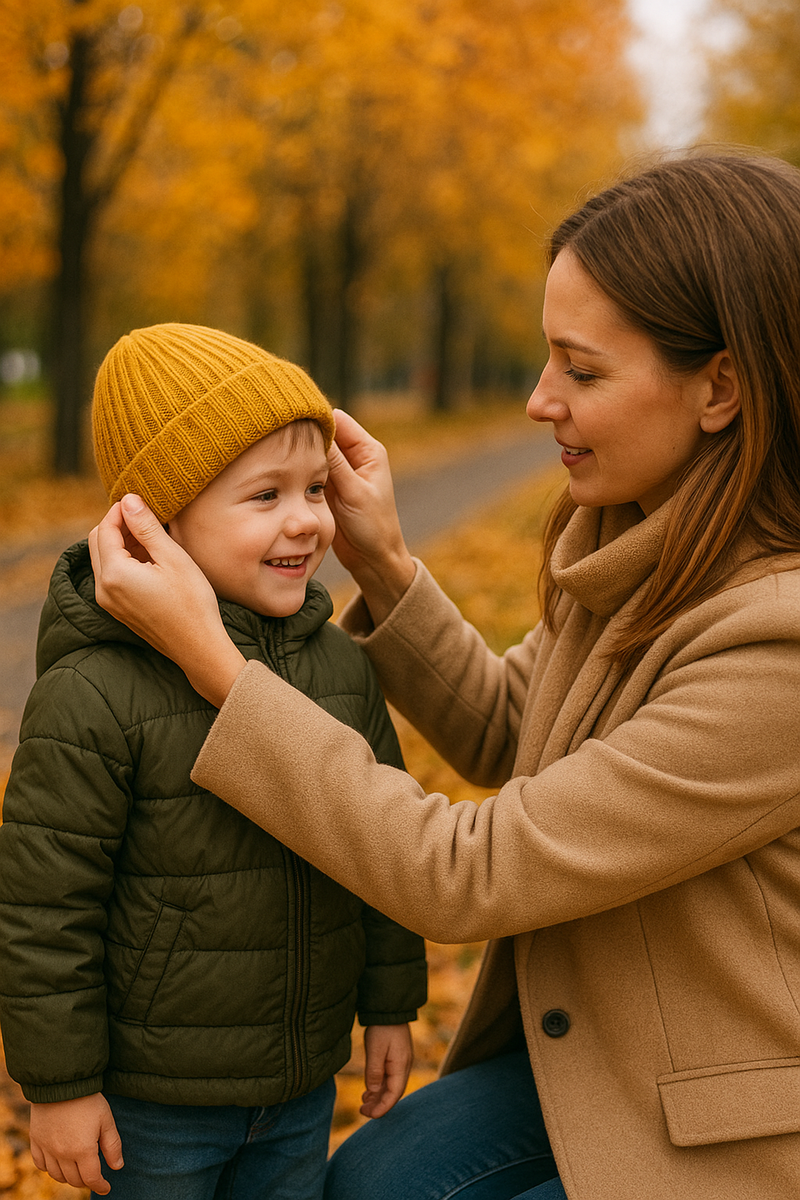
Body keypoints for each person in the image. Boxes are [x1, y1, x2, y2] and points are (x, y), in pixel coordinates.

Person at [88, 152, 800, 1200]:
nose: (536, 400)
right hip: (619, 1056)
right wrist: (379, 560)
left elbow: (466, 870)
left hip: (735, 1127)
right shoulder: (642, 541)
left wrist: (218, 668)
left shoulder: (773, 649)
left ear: (720, 387)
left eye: (581, 370)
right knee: (374, 1179)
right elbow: (518, 730)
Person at [0, 323, 426, 1199]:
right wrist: (60, 1083)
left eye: (314, 488)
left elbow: (384, 840)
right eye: (264, 495)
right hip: (155, 1106)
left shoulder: (340, 666)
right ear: (159, 517)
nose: (306, 519)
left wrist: (389, 1005)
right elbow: (46, 908)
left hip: (303, 1083)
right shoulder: (96, 692)